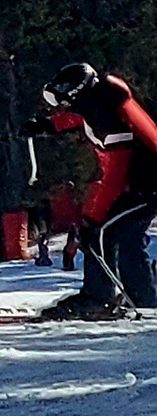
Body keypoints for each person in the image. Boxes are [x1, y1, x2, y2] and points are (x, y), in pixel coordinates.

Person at [33, 63, 157, 320]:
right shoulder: (101, 99)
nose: (61, 107)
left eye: (62, 101)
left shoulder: (109, 122)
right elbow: (80, 117)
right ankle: (140, 299)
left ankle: (101, 299)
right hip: (145, 181)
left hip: (149, 185)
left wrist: (94, 216)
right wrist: (48, 125)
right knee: (120, 235)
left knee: (103, 232)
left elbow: (113, 175)